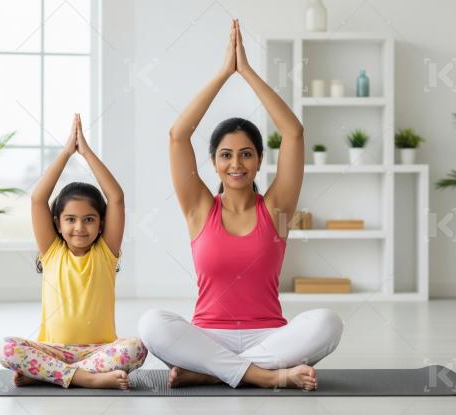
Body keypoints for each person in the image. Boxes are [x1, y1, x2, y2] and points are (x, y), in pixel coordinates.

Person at [138, 20, 343, 391]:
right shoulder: (199, 207)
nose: (236, 164)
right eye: (227, 155)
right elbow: (177, 136)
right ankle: (262, 377)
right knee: (151, 324)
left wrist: (246, 72)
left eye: (246, 154)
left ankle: (213, 373)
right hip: (208, 337)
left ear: (260, 160)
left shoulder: (277, 209)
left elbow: (294, 132)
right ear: (214, 162)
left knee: (328, 323)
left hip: (269, 338)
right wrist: (222, 74)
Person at [0, 114, 147, 389]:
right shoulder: (52, 252)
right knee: (6, 348)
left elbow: (116, 198)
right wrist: (66, 153)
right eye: (71, 219)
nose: (80, 227)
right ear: (58, 222)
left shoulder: (105, 252)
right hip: (52, 350)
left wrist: (87, 154)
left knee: (136, 349)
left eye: (89, 219)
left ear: (102, 224)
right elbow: (38, 199)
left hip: (98, 352)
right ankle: (87, 379)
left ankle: (52, 375)